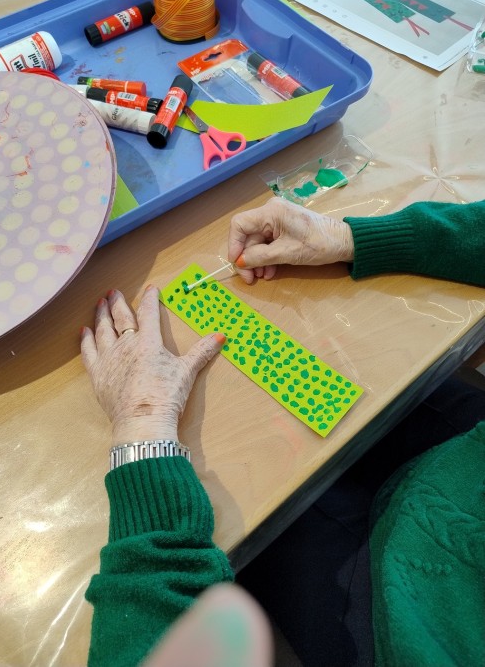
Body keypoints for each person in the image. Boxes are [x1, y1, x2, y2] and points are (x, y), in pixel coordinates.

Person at [81, 197, 485, 667]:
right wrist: (353, 238)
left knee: (250, 508)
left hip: (407, 619)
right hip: (466, 464)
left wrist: (142, 421)